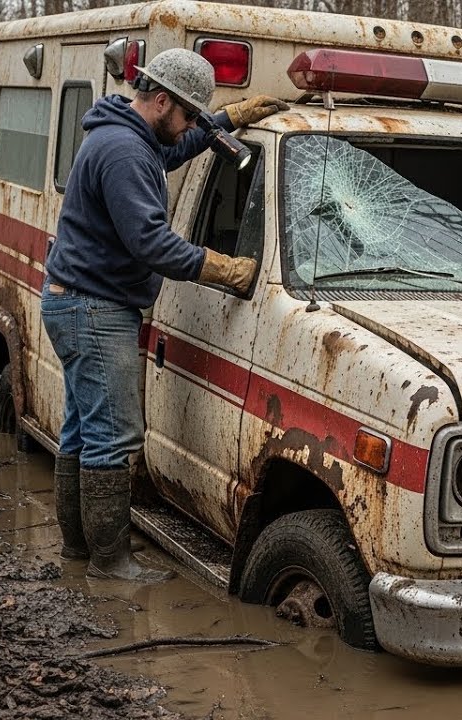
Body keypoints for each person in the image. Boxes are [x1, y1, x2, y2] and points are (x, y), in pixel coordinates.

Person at [40, 48, 288, 582]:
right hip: (94, 307)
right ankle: (111, 562)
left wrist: (226, 120)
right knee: (113, 435)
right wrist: (224, 269)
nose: (192, 126)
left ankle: (79, 550)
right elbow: (150, 242)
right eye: (190, 115)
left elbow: (173, 151)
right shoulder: (126, 153)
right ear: (160, 101)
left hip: (76, 299)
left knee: (83, 431)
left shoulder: (130, 137)